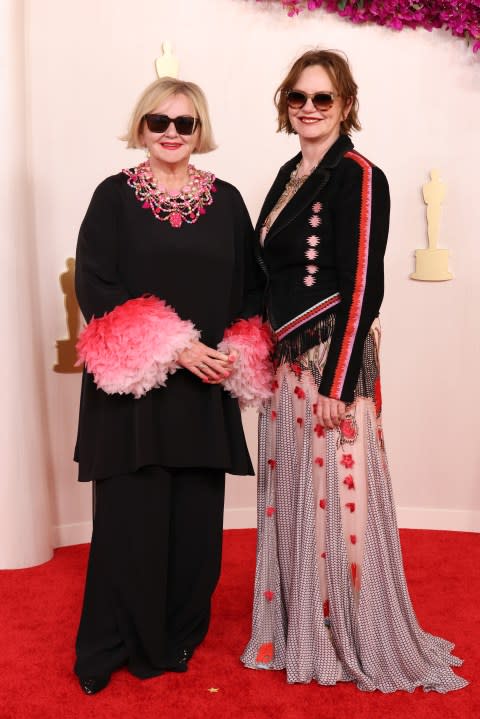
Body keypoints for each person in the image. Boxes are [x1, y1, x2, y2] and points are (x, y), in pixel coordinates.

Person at [241, 49, 467, 693]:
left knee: (341, 503)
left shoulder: (360, 175)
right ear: (285, 105)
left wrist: (340, 386)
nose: (309, 109)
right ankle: (301, 623)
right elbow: (269, 274)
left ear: (346, 106)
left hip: (329, 364)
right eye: (298, 98)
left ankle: (353, 630)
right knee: (293, 505)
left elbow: (363, 285)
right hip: (287, 363)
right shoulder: (289, 172)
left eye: (323, 99)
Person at [73, 76, 271, 695]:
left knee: (193, 525)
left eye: (184, 123)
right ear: (141, 126)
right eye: (158, 121)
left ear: (199, 131)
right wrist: (175, 346)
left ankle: (177, 637)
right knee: (130, 523)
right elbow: (96, 287)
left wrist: (233, 352)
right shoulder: (113, 197)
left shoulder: (231, 200)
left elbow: (253, 289)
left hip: (203, 386)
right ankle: (111, 646)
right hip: (137, 390)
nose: (170, 133)